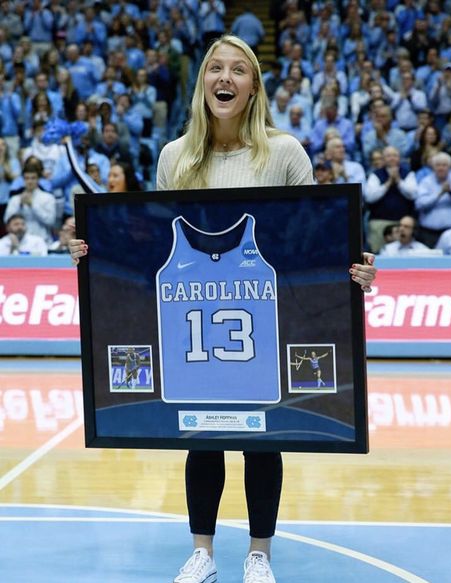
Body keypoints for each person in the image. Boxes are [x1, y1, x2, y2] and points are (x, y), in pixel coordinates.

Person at [68, 35, 377, 583]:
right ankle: (203, 554)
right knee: (201, 435)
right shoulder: (175, 157)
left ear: (253, 85)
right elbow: (151, 249)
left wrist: (354, 271)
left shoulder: (285, 153)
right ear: (202, 82)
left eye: (238, 69)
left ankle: (259, 555)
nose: (225, 77)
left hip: (264, 319)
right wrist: (92, 252)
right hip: (194, 323)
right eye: (215, 68)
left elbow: (310, 240)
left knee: (266, 438)